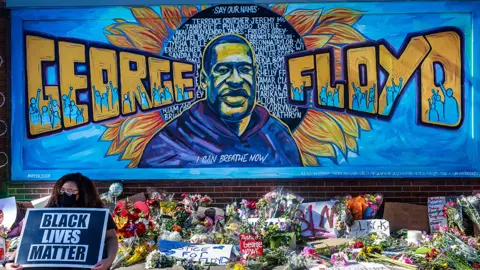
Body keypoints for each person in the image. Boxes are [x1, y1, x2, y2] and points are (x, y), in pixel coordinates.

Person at [138, 34, 302, 168]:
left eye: (244, 69)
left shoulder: (277, 136)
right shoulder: (171, 142)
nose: (236, 80)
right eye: (223, 70)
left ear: (255, 75)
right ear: (204, 79)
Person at [4, 173, 118, 270]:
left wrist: (109, 260)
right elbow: (29, 239)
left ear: (83, 194)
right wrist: (10, 261)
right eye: (62, 190)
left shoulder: (98, 214)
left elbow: (111, 238)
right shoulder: (48, 212)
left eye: (69, 191)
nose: (64, 194)